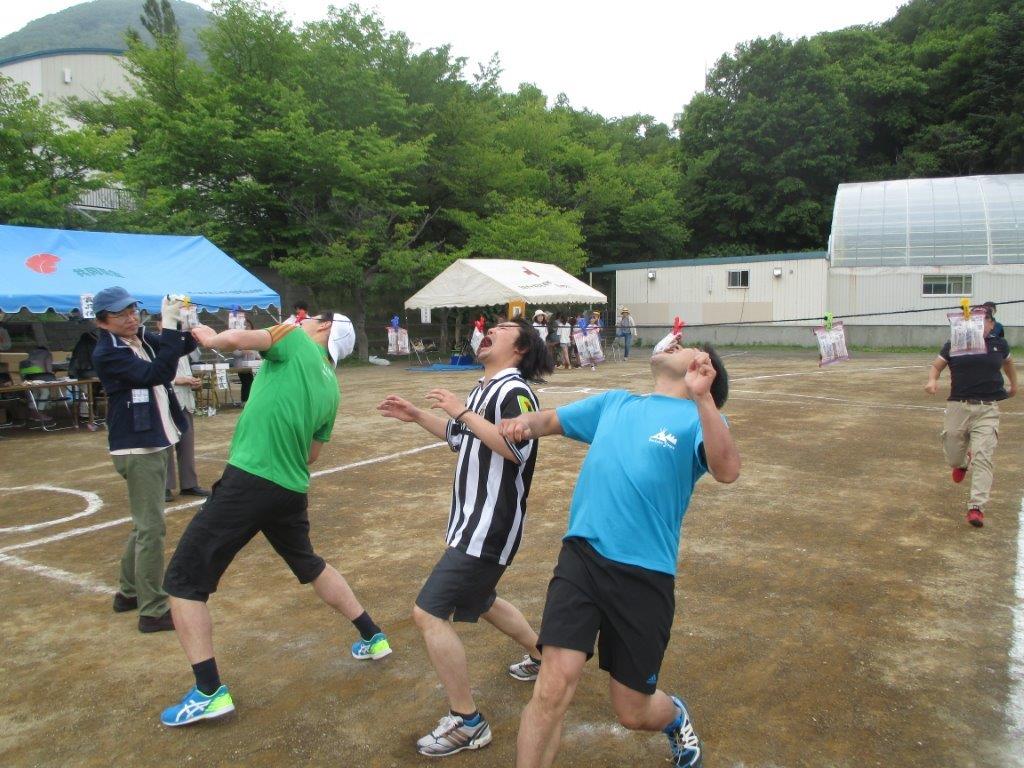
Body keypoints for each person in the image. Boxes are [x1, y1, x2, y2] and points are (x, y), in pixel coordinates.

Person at [499, 337, 740, 768]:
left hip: (645, 575)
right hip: (583, 556)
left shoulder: (698, 419)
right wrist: (523, 424)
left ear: (704, 370)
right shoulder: (616, 403)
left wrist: (704, 399)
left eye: (687, 347)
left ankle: (674, 716)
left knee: (633, 710)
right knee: (552, 686)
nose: (674, 343)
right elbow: (550, 420)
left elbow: (727, 470)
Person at [159, 311, 390, 727]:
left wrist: (209, 339)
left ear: (324, 328)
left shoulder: (295, 340)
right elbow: (312, 454)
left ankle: (208, 691)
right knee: (309, 563)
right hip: (290, 487)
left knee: (183, 581)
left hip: (251, 478)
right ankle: (372, 635)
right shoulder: (332, 386)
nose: (299, 321)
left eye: (308, 318)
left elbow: (238, 341)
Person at [377, 318, 555, 757]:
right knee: (482, 600)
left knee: (428, 613)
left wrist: (460, 410)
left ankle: (467, 721)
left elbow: (514, 448)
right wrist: (419, 415)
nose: (491, 328)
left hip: (489, 525)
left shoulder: (514, 391)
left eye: (504, 327)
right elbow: (462, 438)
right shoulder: (483, 390)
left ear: (520, 349)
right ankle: (543, 657)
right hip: (472, 522)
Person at [92, 287, 196, 633]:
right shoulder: (108, 352)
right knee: (151, 528)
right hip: (137, 447)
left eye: (132, 310)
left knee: (144, 524)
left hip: (153, 440)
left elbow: (178, 348)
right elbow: (156, 374)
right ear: (102, 321)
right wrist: (169, 325)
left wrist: (186, 326)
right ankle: (152, 609)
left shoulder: (138, 339)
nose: (131, 318)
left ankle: (128, 593)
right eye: (120, 314)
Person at [925, 308, 1016, 527]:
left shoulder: (999, 345)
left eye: (983, 320)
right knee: (953, 457)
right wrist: (932, 380)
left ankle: (976, 507)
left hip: (987, 409)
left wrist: (1014, 384)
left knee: (983, 457)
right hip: (958, 406)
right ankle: (963, 463)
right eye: (974, 320)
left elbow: (1008, 364)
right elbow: (937, 365)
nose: (979, 323)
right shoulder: (955, 344)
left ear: (992, 324)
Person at [160, 319, 210, 503]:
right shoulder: (157, 344)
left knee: (187, 444)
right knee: (166, 444)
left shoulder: (182, 345)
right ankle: (165, 486)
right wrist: (178, 380)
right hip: (166, 400)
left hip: (185, 401)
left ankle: (189, 483)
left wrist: (192, 381)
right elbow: (154, 373)